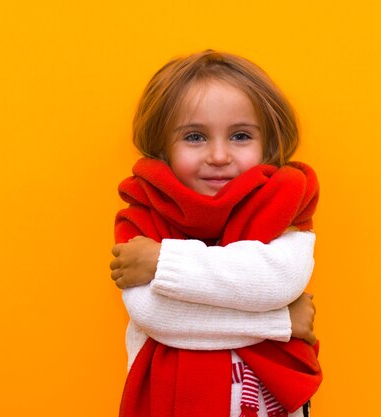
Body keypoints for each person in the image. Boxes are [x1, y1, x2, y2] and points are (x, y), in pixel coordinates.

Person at [109, 50, 322, 417]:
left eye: (240, 136)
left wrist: (163, 260)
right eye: (195, 136)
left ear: (268, 145)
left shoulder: (285, 199)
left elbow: (277, 279)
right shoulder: (144, 212)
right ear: (163, 148)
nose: (219, 155)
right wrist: (279, 322)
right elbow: (156, 315)